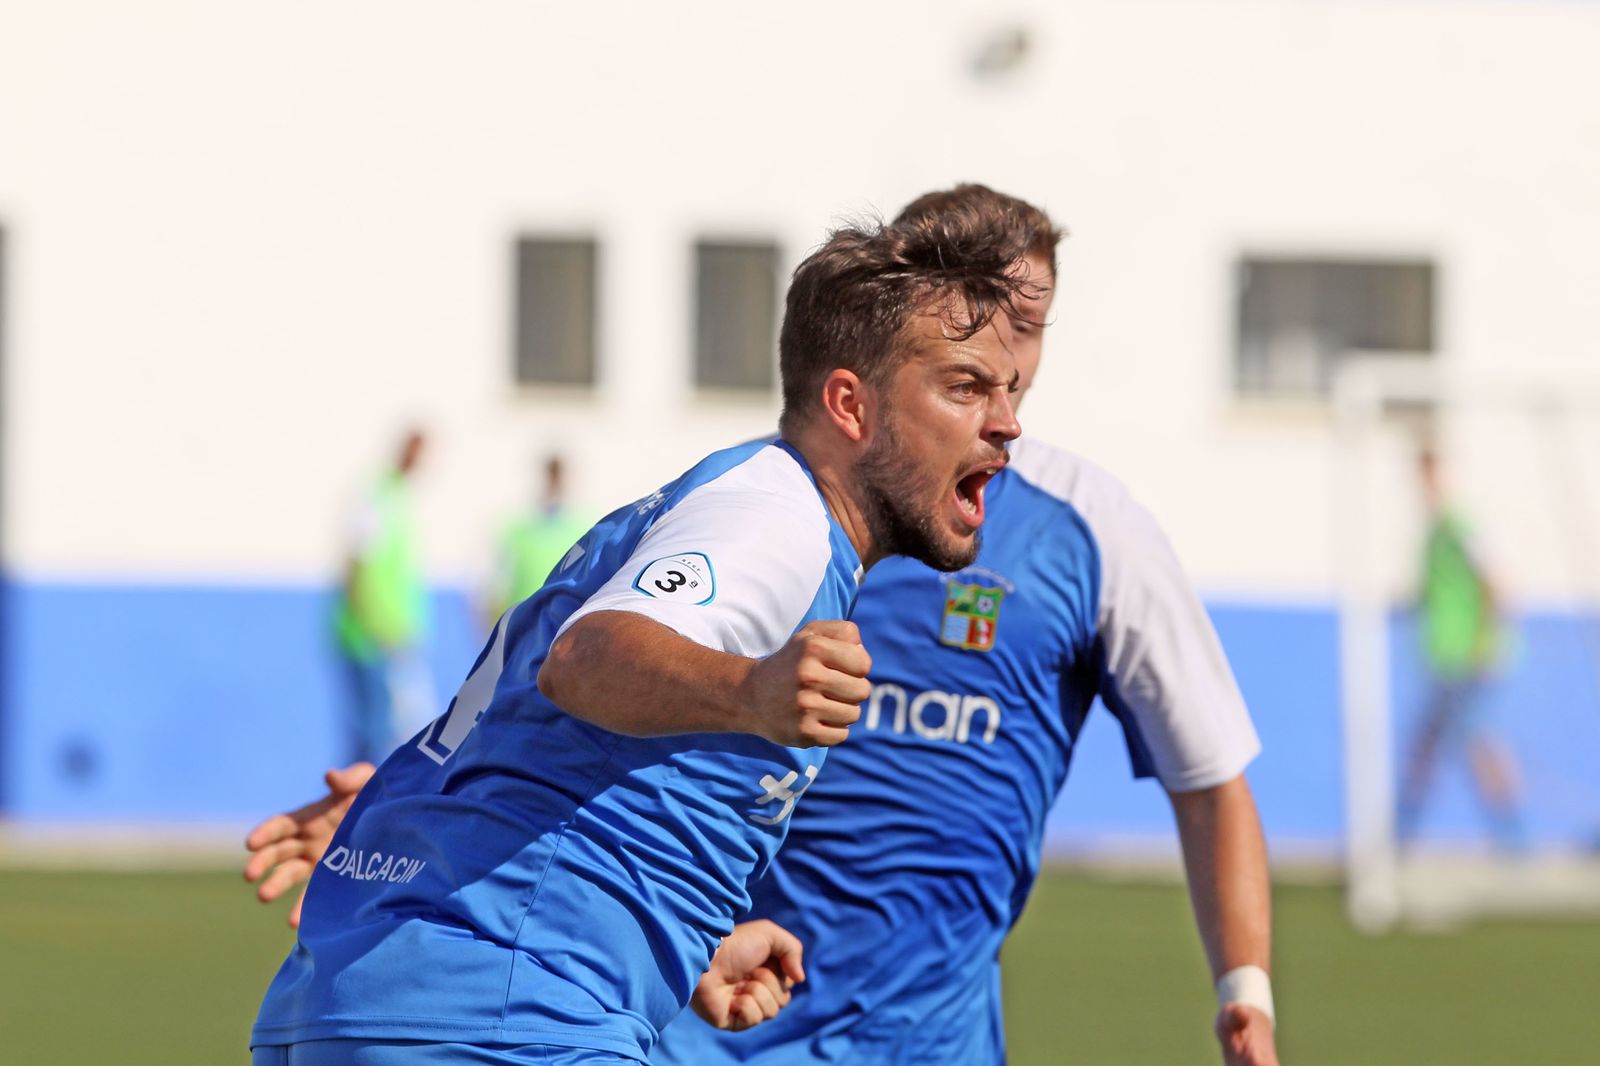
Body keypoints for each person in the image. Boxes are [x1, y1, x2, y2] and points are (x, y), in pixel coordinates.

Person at [248, 187, 1277, 1066]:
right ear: (853, 403)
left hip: (425, 995)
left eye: (1012, 374)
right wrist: (753, 691)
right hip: (508, 1012)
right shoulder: (777, 515)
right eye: (963, 382)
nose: (1006, 416)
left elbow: (543, 730)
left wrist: (683, 944)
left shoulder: (735, 508)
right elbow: (587, 657)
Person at [1396, 445, 1525, 852]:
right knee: (1441, 742)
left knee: (1464, 742)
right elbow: (1435, 592)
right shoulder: (1434, 532)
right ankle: (1403, 836)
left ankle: (1509, 835)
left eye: (1430, 475)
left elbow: (1495, 583)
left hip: (1466, 658)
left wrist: (1484, 645)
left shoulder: (1460, 525)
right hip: (1445, 656)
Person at [333, 426, 435, 763]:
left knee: (394, 730)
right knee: (373, 732)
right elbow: (356, 565)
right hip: (370, 638)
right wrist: (374, 625)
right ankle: (358, 811)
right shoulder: (377, 497)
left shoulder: (397, 497)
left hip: (392, 637)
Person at [485, 453, 592, 625]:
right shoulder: (519, 530)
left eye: (557, 476)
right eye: (551, 475)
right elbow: (496, 585)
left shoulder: (584, 529)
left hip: (564, 625)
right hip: (523, 624)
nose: (554, 482)